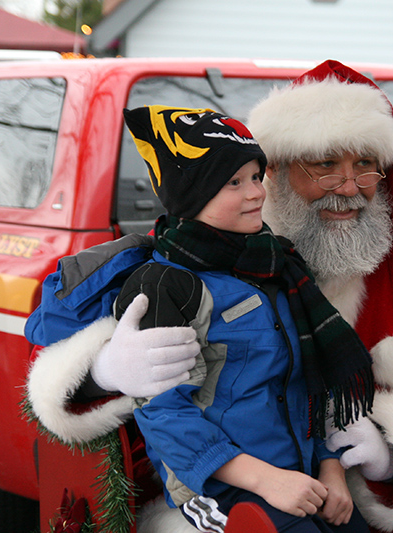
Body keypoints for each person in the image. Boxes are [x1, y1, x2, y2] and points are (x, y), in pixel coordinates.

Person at [27, 60, 393, 533]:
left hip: (372, 496)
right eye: (323, 164)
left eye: (365, 165)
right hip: (231, 488)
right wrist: (105, 370)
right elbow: (56, 362)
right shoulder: (196, 263)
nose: (349, 186)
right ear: (278, 172)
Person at [111, 105, 372, 532]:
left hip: (301, 472)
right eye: (234, 182)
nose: (256, 193)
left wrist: (331, 468)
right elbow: (162, 412)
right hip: (220, 487)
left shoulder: (277, 263)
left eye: (255, 176)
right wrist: (265, 480)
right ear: (192, 197)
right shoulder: (165, 285)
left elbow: (308, 378)